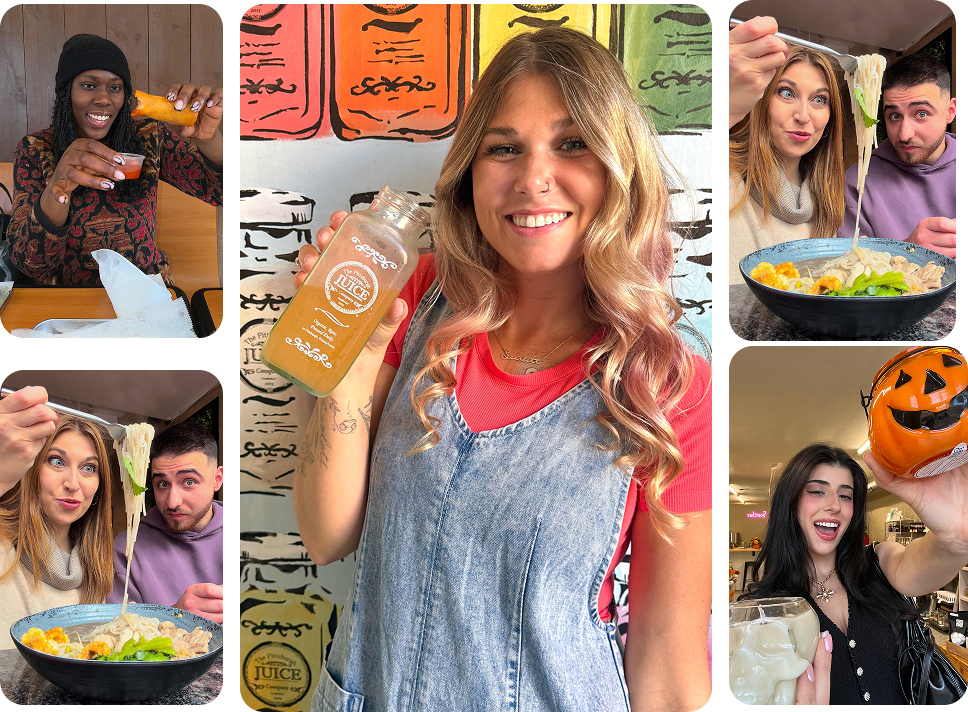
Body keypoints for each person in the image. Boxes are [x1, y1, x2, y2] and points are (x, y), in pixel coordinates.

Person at [293, 27, 711, 711]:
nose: (531, 178)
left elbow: (667, 662)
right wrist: (347, 359)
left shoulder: (672, 383)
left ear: (618, 165)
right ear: (470, 172)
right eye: (504, 148)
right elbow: (325, 534)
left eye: (572, 143)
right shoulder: (407, 292)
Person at [739, 442, 968, 704]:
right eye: (817, 491)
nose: (835, 505)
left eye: (846, 496)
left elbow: (924, 564)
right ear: (790, 503)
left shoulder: (880, 563)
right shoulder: (764, 611)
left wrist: (956, 537)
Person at [8, 33, 223, 286]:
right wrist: (57, 189)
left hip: (146, 292)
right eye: (88, 85)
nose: (104, 99)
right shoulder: (34, 149)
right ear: (66, 92)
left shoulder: (148, 136)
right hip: (68, 299)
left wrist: (208, 138)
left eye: (115, 87)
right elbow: (30, 264)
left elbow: (220, 193)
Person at [728, 17, 846, 285]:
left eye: (819, 100)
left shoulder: (829, 202)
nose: (803, 116)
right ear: (761, 101)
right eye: (786, 93)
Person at [0, 387, 115, 649]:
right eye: (56, 461)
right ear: (31, 468)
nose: (73, 484)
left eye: (89, 468)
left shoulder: (98, 571)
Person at [837, 53, 956, 257]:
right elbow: (848, 269)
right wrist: (906, 251)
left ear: (950, 111)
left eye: (921, 113)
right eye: (894, 116)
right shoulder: (858, 183)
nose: (904, 134)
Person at [106, 422, 223, 624]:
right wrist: (174, 616)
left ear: (217, 479)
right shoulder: (126, 549)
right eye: (162, 484)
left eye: (188, 481)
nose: (172, 502)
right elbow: (114, 634)